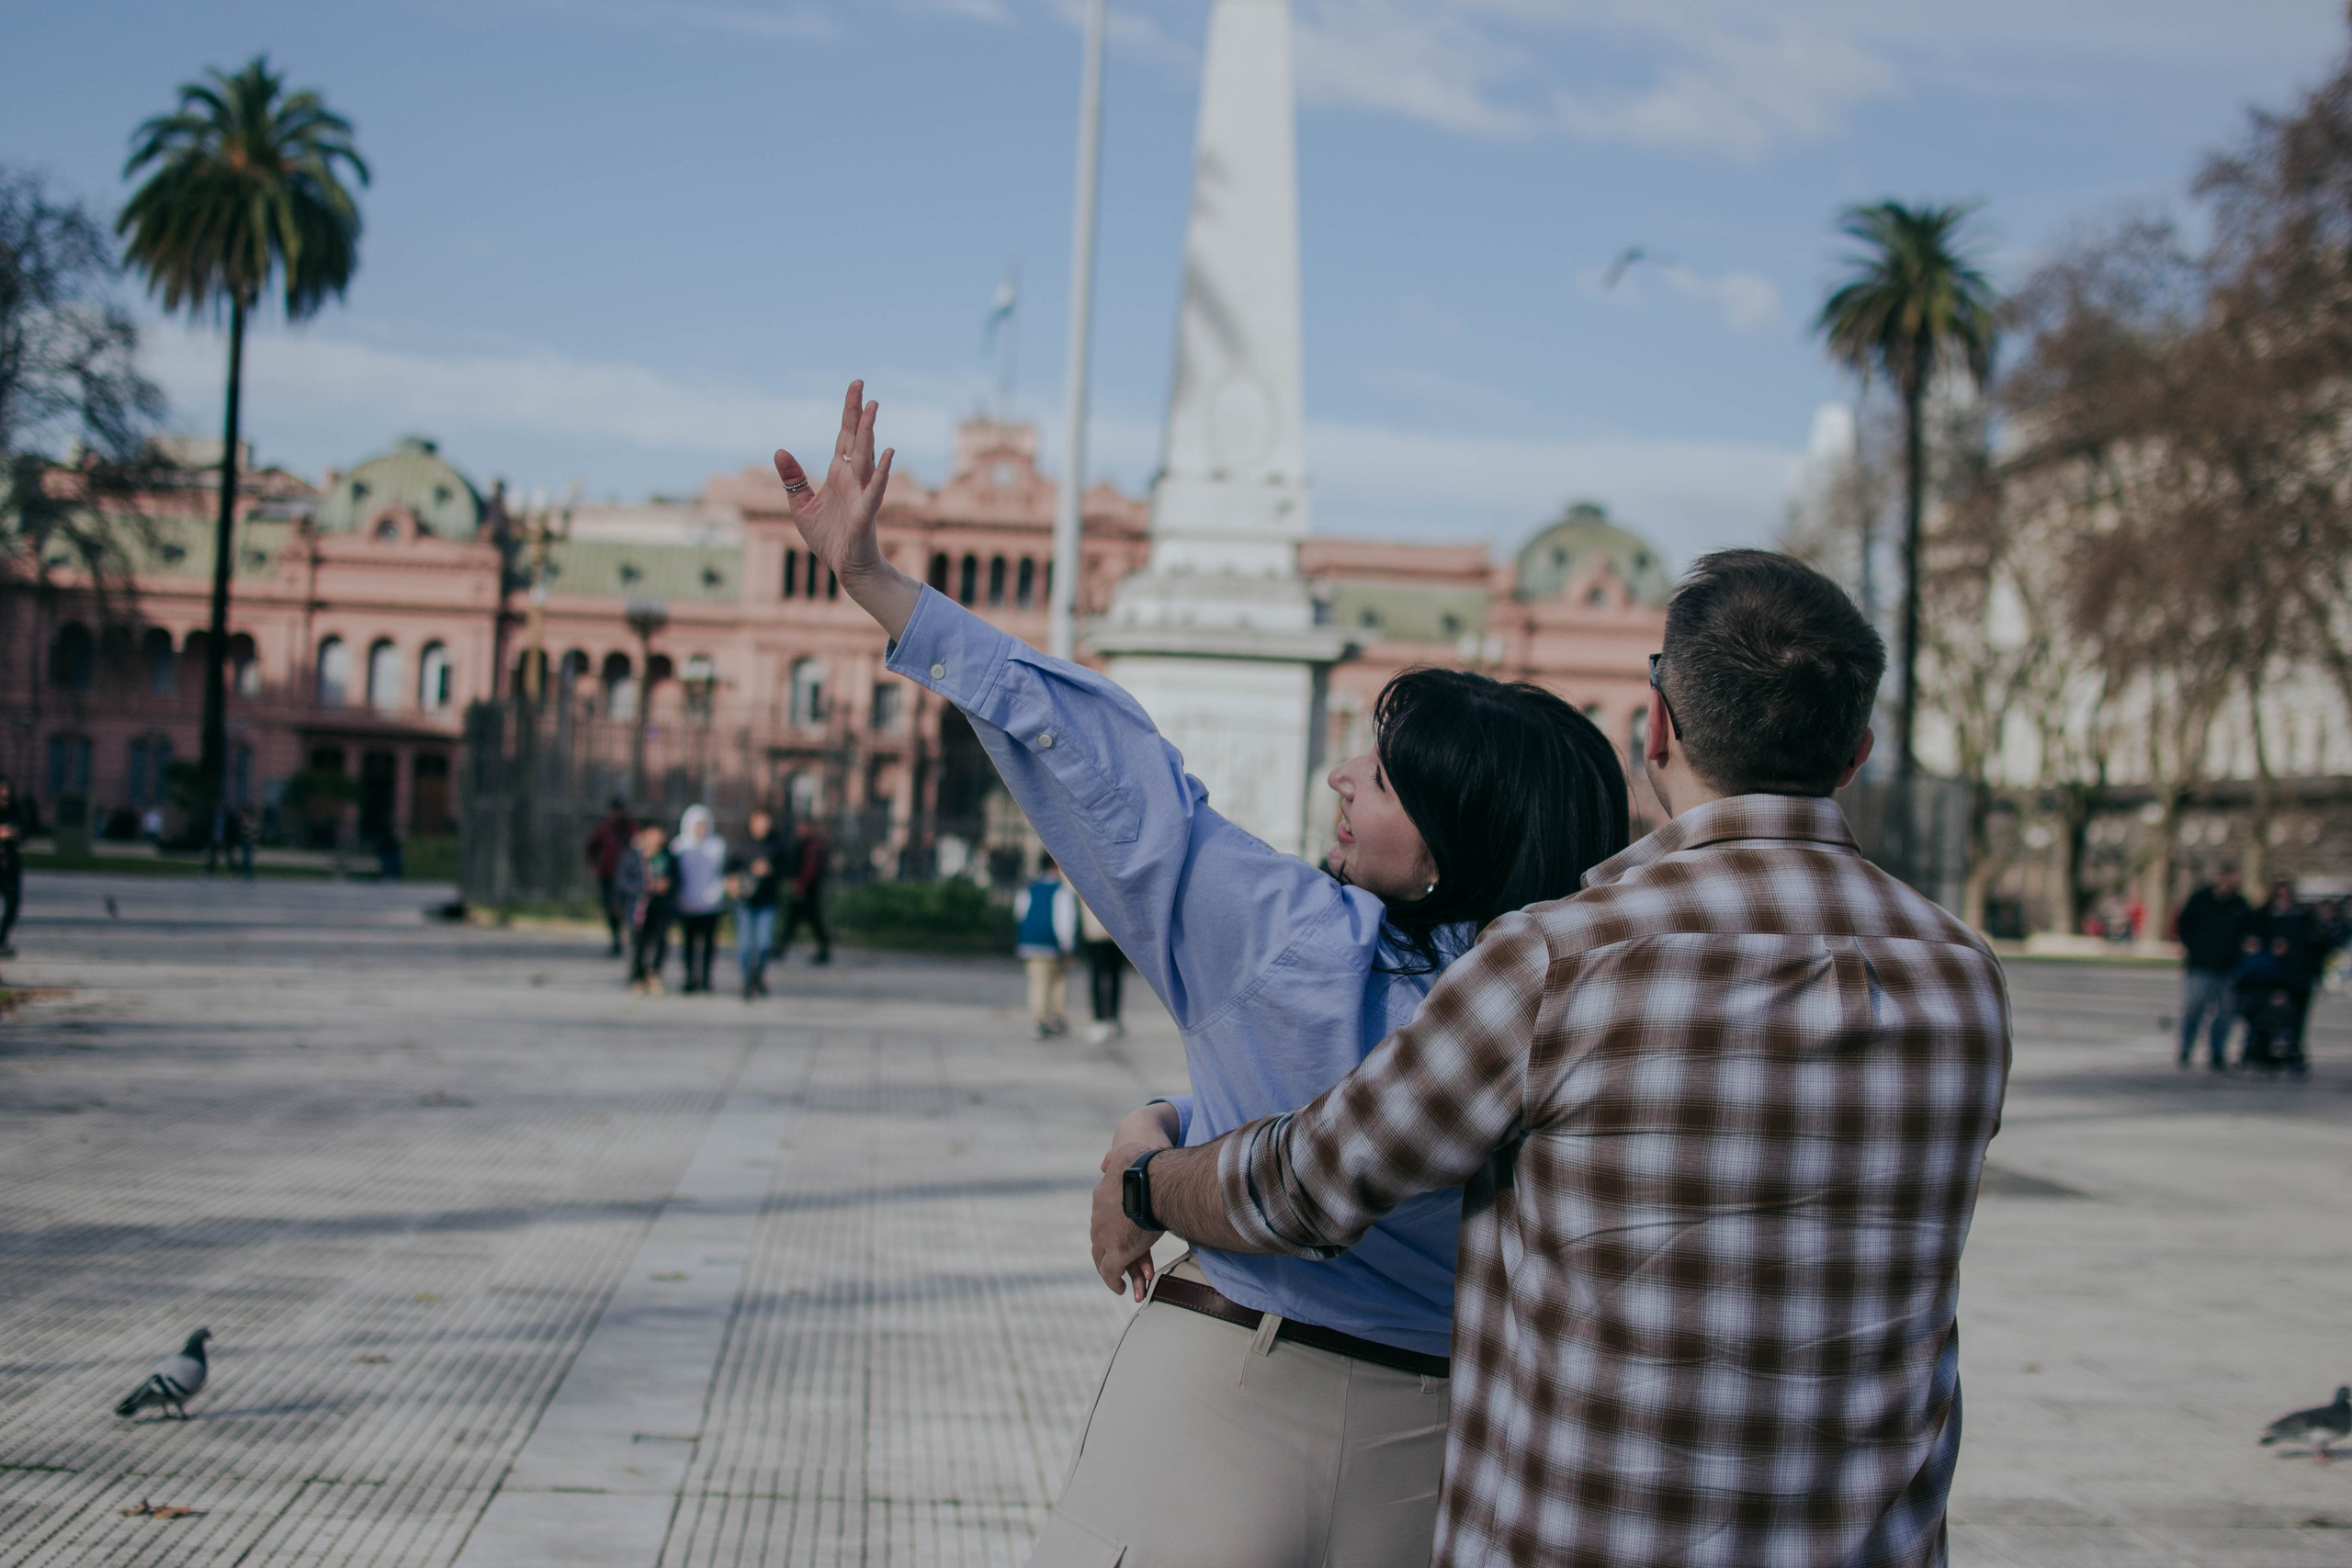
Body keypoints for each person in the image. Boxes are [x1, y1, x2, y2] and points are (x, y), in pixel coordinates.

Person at [772, 383, 1628, 1568]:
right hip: (1444, 1434)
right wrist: (1170, 1118)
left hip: (1221, 1383)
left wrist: (877, 586)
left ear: (1446, 841)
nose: (1337, 778)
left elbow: (1104, 771)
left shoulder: (1288, 940)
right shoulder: (1583, 1005)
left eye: (1375, 780)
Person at [1098, 550, 2013, 1568]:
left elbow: (1308, 1184)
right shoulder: (1961, 976)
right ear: (1855, 756)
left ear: (1657, 726)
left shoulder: (1562, 956)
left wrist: (1145, 1176)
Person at [2175, 864, 2248, 1071]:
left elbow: (2249, 930)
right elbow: (2184, 925)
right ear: (2221, 877)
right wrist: (2193, 948)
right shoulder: (2200, 900)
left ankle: (2217, 1052)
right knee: (2194, 1008)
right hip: (2200, 965)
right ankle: (2186, 1048)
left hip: (2228, 968)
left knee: (2225, 1013)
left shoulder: (2240, 904)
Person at [2248, 878, 2318, 1075]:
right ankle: (2264, 1052)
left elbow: (2313, 944)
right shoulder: (2266, 917)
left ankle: (2292, 1052)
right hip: (2274, 975)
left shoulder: (2303, 917)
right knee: (2271, 1016)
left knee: (2297, 1018)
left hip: (2300, 974)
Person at [1013, 854, 1078, 1038]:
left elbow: (1020, 914)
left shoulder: (1029, 889)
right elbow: (1064, 922)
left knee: (1037, 983)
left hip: (1031, 945)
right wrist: (1068, 946)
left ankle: (1038, 1019)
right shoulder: (1061, 892)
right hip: (1052, 945)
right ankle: (1054, 1016)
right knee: (1058, 982)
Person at [728, 807, 786, 998]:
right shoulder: (741, 843)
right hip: (745, 901)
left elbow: (789, 867)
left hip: (767, 901)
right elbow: (728, 868)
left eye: (766, 821)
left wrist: (771, 870)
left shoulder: (777, 844)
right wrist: (732, 882)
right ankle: (747, 979)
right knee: (745, 945)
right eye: (759, 821)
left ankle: (758, 974)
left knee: (764, 944)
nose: (762, 825)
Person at [671, 805, 728, 994]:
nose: (700, 829)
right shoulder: (679, 846)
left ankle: (706, 978)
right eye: (697, 825)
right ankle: (689, 977)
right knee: (688, 943)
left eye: (704, 825)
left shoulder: (717, 846)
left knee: (709, 944)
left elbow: (722, 874)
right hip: (687, 903)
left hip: (711, 904)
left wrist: (717, 893)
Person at [623, 822, 674, 995]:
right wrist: (644, 887)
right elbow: (623, 882)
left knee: (661, 942)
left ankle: (654, 975)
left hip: (661, 906)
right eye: (653, 833)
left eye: (660, 833)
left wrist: (668, 885)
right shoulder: (634, 856)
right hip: (639, 907)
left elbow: (677, 878)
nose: (657, 837)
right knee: (639, 944)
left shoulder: (668, 855)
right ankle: (637, 977)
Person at [775, 813, 831, 964]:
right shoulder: (800, 843)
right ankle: (781, 948)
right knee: (796, 921)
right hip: (803, 887)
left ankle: (823, 950)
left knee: (809, 921)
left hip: (808, 889)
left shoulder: (813, 845)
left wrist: (800, 885)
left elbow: (810, 868)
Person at [585, 799, 635, 957]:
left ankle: (633, 940)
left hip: (628, 877)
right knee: (611, 909)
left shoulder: (631, 829)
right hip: (608, 875)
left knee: (628, 909)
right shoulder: (604, 829)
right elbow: (591, 847)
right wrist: (593, 865)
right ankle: (616, 940)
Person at [1079, 895, 1124, 1044]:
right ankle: (1102, 1018)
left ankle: (1110, 1017)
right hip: (1102, 931)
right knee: (1103, 976)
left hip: (1106, 930)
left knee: (1110, 976)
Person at [0, 777, 27, 959]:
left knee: (13, 903)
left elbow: (25, 830)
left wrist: (15, 833)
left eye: (6, 798)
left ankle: (1, 939)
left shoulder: (14, 812)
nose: (3, 801)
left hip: (8, 864)